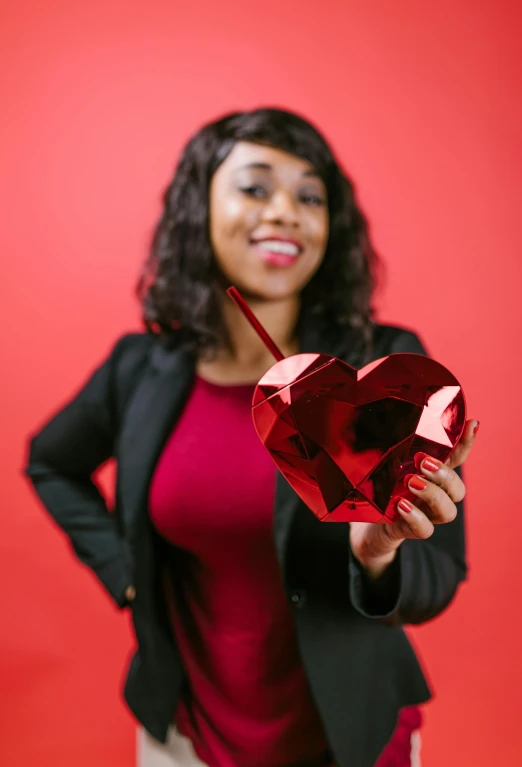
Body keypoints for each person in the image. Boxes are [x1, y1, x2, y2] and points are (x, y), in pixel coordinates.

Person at [25, 108, 478, 767]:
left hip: (352, 735)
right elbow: (50, 462)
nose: (286, 211)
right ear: (199, 209)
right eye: (256, 187)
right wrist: (125, 572)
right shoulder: (139, 370)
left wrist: (376, 556)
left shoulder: (386, 369)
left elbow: (438, 576)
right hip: (186, 735)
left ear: (331, 226)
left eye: (310, 196)